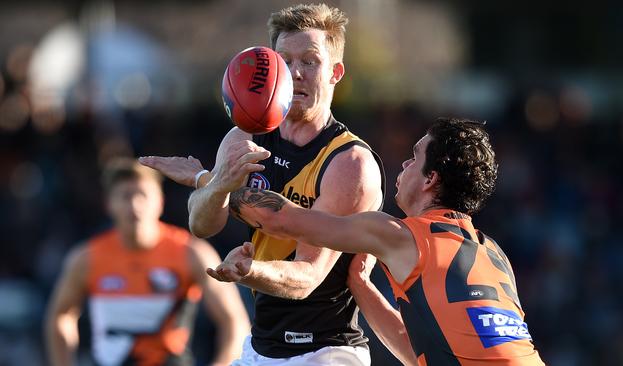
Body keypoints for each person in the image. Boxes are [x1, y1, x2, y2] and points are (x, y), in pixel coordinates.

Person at [139, 3, 418, 365]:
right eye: (285, 60)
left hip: (326, 350)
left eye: (310, 61)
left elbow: (307, 277)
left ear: (335, 72)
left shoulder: (349, 164)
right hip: (259, 347)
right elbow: (202, 222)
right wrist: (215, 185)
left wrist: (248, 271)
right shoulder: (244, 136)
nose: (296, 72)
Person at [228, 117, 546, 365]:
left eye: (414, 156)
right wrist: (361, 285)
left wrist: (210, 182)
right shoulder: (495, 255)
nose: (405, 164)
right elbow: (418, 355)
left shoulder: (401, 235)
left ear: (430, 179)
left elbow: (284, 220)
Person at [44, 158, 251, 366]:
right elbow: (60, 316)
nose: (135, 205)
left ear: (160, 201)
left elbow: (234, 322)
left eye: (142, 195)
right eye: (125, 196)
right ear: (109, 204)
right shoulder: (86, 258)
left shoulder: (191, 253)